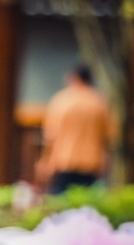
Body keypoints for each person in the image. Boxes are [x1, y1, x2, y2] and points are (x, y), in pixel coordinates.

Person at [37, 65, 113, 194]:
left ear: (74, 78)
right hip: (92, 162)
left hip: (64, 161)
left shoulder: (61, 101)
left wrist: (45, 161)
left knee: (60, 204)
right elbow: (109, 136)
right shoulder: (100, 103)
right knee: (87, 206)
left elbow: (50, 136)